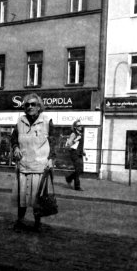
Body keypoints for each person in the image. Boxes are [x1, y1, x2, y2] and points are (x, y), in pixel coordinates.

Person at [11, 93, 55, 232]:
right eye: (27, 104)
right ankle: (20, 221)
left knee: (37, 198)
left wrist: (51, 159)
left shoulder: (47, 121)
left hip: (39, 167)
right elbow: (13, 138)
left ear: (39, 107)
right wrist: (15, 147)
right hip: (23, 165)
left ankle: (37, 224)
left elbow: (54, 141)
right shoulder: (20, 121)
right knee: (22, 198)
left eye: (33, 104)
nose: (30, 107)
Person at [65, 120, 85, 191]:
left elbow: (80, 145)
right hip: (74, 153)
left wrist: (84, 152)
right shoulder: (73, 134)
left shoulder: (80, 134)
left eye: (81, 125)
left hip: (79, 153)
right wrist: (76, 139)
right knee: (77, 169)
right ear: (75, 127)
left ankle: (69, 178)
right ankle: (77, 186)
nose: (80, 127)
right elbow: (68, 144)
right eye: (78, 126)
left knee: (81, 170)